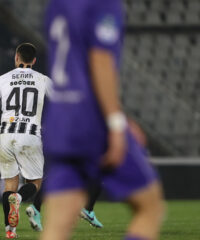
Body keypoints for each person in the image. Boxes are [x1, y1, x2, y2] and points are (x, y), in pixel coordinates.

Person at [40, 0, 165, 240]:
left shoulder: (56, 4)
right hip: (91, 120)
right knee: (150, 207)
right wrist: (116, 123)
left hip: (60, 121)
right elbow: (100, 61)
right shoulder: (104, 2)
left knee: (57, 226)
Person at [0, 43, 50, 239]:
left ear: (16, 57)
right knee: (35, 182)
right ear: (34, 60)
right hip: (29, 134)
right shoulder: (42, 79)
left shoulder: (3, 79)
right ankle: (19, 198)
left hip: (5, 135)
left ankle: (10, 231)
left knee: (9, 185)